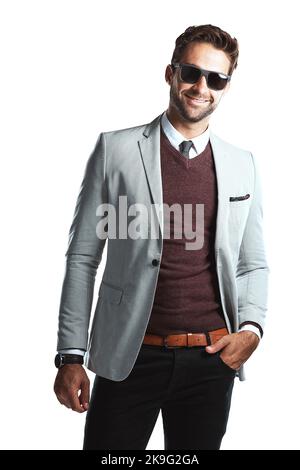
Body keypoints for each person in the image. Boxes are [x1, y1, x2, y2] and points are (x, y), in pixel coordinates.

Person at [54, 24, 269, 450]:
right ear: (170, 73)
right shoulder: (115, 150)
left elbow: (253, 262)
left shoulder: (242, 163)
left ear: (226, 87)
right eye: (191, 72)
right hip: (130, 357)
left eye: (216, 78)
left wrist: (252, 329)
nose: (201, 87)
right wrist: (71, 355)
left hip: (212, 359)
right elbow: (83, 258)